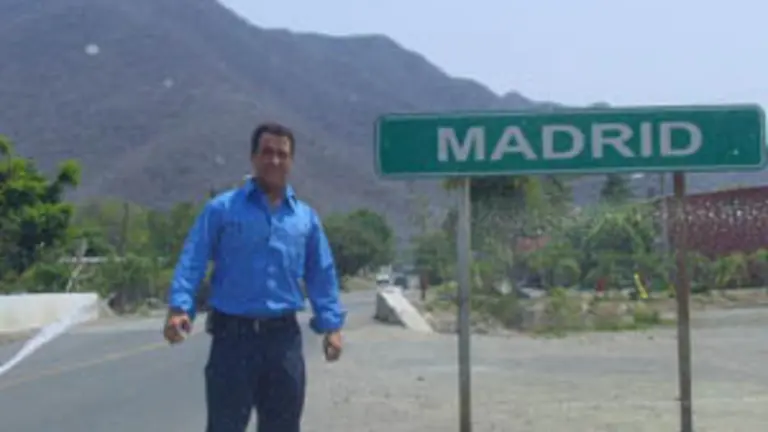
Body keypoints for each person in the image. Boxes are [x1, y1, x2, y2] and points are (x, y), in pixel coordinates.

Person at [163, 121, 347, 432]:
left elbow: (321, 274)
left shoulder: (305, 219)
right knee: (225, 426)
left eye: (282, 154)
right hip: (232, 339)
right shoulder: (221, 210)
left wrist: (332, 327)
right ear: (253, 158)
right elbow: (192, 259)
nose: (274, 160)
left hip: (283, 340)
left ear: (291, 161)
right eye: (267, 152)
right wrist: (180, 308)